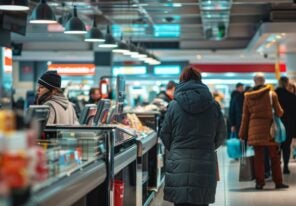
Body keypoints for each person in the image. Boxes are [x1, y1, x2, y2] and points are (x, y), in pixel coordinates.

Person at [160, 66, 226, 206]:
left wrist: (176, 148)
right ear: (200, 81)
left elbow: (165, 133)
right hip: (204, 160)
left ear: (181, 81)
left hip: (179, 162)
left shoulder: (173, 105)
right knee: (201, 201)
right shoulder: (213, 105)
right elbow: (221, 134)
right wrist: (209, 146)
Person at [239, 73, 289, 190]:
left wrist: (242, 134)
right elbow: (280, 112)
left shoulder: (248, 96)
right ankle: (278, 182)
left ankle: (260, 182)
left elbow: (245, 117)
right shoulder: (272, 94)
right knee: (275, 157)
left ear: (254, 81)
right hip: (270, 130)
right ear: (264, 80)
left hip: (254, 130)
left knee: (258, 158)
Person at [275, 76, 296, 174]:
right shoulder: (292, 96)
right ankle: (286, 167)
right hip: (288, 124)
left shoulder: (273, 95)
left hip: (274, 124)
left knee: (275, 146)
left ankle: (276, 166)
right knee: (286, 146)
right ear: (287, 83)